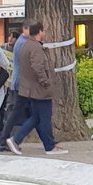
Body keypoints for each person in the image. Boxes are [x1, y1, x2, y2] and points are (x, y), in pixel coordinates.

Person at [9, 22, 58, 154]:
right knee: (45, 117)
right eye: (43, 31)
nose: (44, 34)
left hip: (30, 88)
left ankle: (47, 144)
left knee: (35, 118)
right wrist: (45, 82)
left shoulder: (25, 45)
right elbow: (38, 67)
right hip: (40, 90)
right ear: (40, 32)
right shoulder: (36, 47)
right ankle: (48, 146)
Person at [0, 23, 31, 151]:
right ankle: (10, 140)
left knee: (32, 114)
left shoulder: (21, 44)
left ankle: (7, 140)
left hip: (18, 83)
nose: (10, 39)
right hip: (21, 84)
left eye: (12, 37)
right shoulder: (22, 44)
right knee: (20, 112)